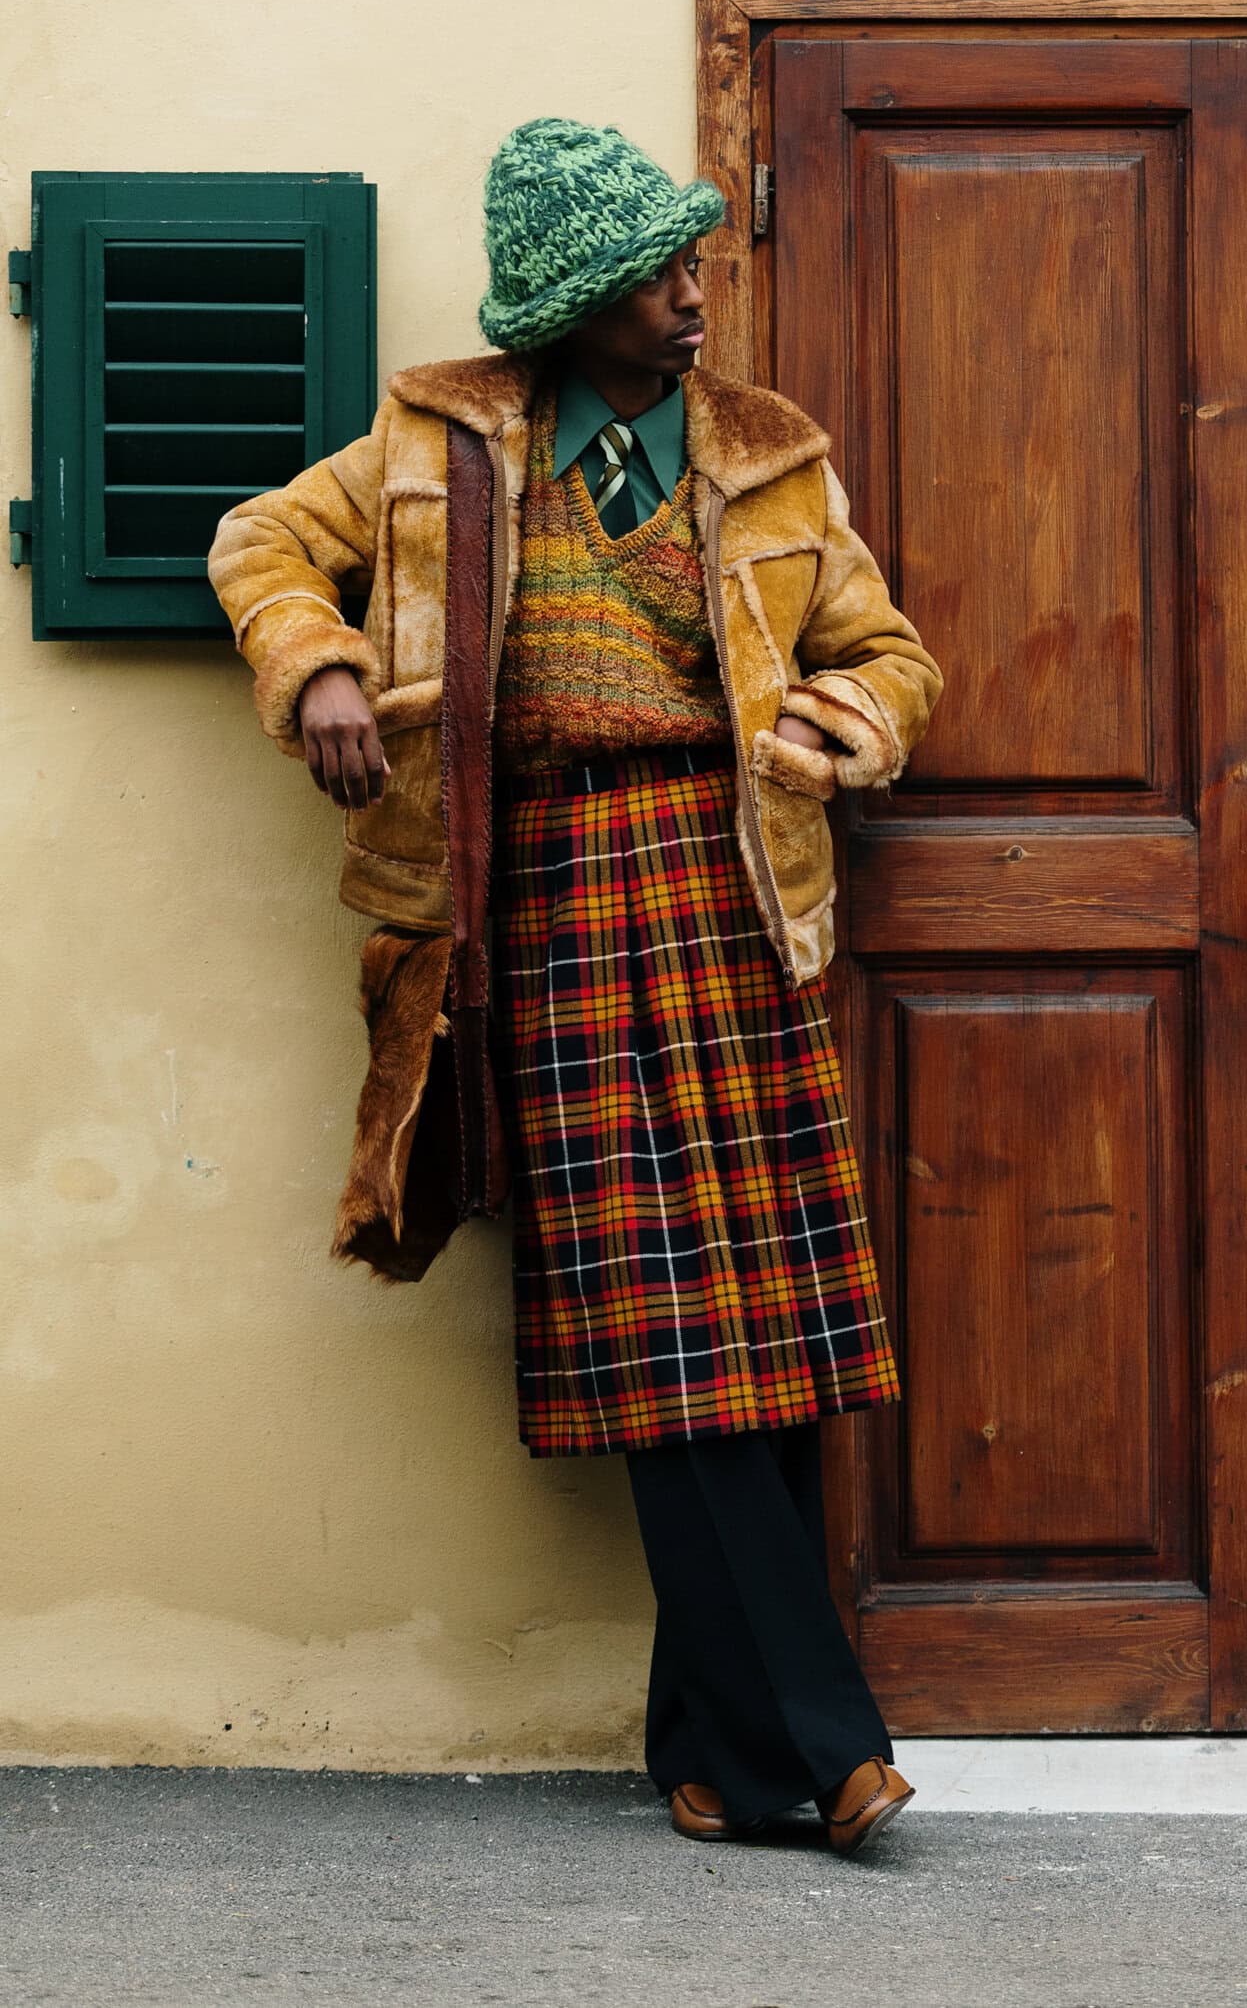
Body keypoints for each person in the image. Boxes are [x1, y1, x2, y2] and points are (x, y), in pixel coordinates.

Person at [208, 118, 942, 1856]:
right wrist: (313, 662)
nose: (697, 297)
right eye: (661, 277)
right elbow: (255, 540)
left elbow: (888, 653)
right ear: (581, 303)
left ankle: (709, 1746)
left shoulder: (772, 460)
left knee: (765, 1330)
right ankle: (825, 1746)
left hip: (732, 899)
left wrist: (845, 734)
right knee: (665, 1330)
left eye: (693, 267)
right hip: (533, 909)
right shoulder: (432, 439)